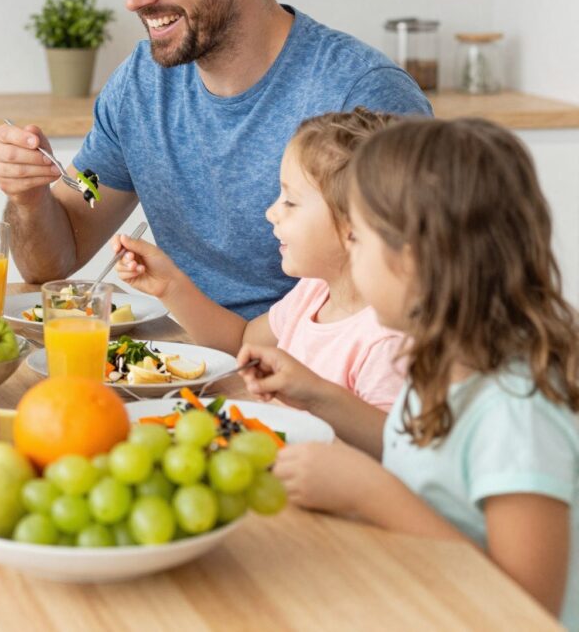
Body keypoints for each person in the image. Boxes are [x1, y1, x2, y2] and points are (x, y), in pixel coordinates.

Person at [0, 0, 431, 318]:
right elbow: (53, 261)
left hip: (303, 361)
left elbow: (421, 298)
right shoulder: (140, 85)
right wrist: (28, 198)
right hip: (182, 353)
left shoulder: (362, 95)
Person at [239, 118, 579, 626]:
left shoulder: (517, 414)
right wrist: (315, 394)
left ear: (412, 261)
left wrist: (371, 492)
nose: (349, 253)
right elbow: (414, 454)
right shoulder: (442, 360)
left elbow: (528, 606)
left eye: (357, 239)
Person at [116, 108, 406, 409]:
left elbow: (386, 440)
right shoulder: (314, 293)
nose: (271, 213)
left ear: (353, 226)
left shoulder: (388, 344)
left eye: (290, 202)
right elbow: (241, 342)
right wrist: (170, 285)